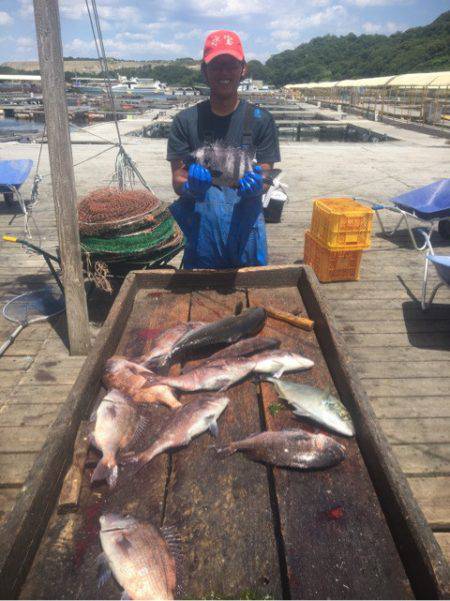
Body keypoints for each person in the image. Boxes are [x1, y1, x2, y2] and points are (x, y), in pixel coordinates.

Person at [167, 30, 280, 269]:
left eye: (231, 65)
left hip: (247, 233)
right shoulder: (184, 121)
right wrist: (189, 187)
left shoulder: (262, 119)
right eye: (217, 66)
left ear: (243, 69)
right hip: (201, 237)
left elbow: (266, 175)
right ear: (204, 70)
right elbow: (178, 179)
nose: (224, 73)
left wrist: (258, 186)